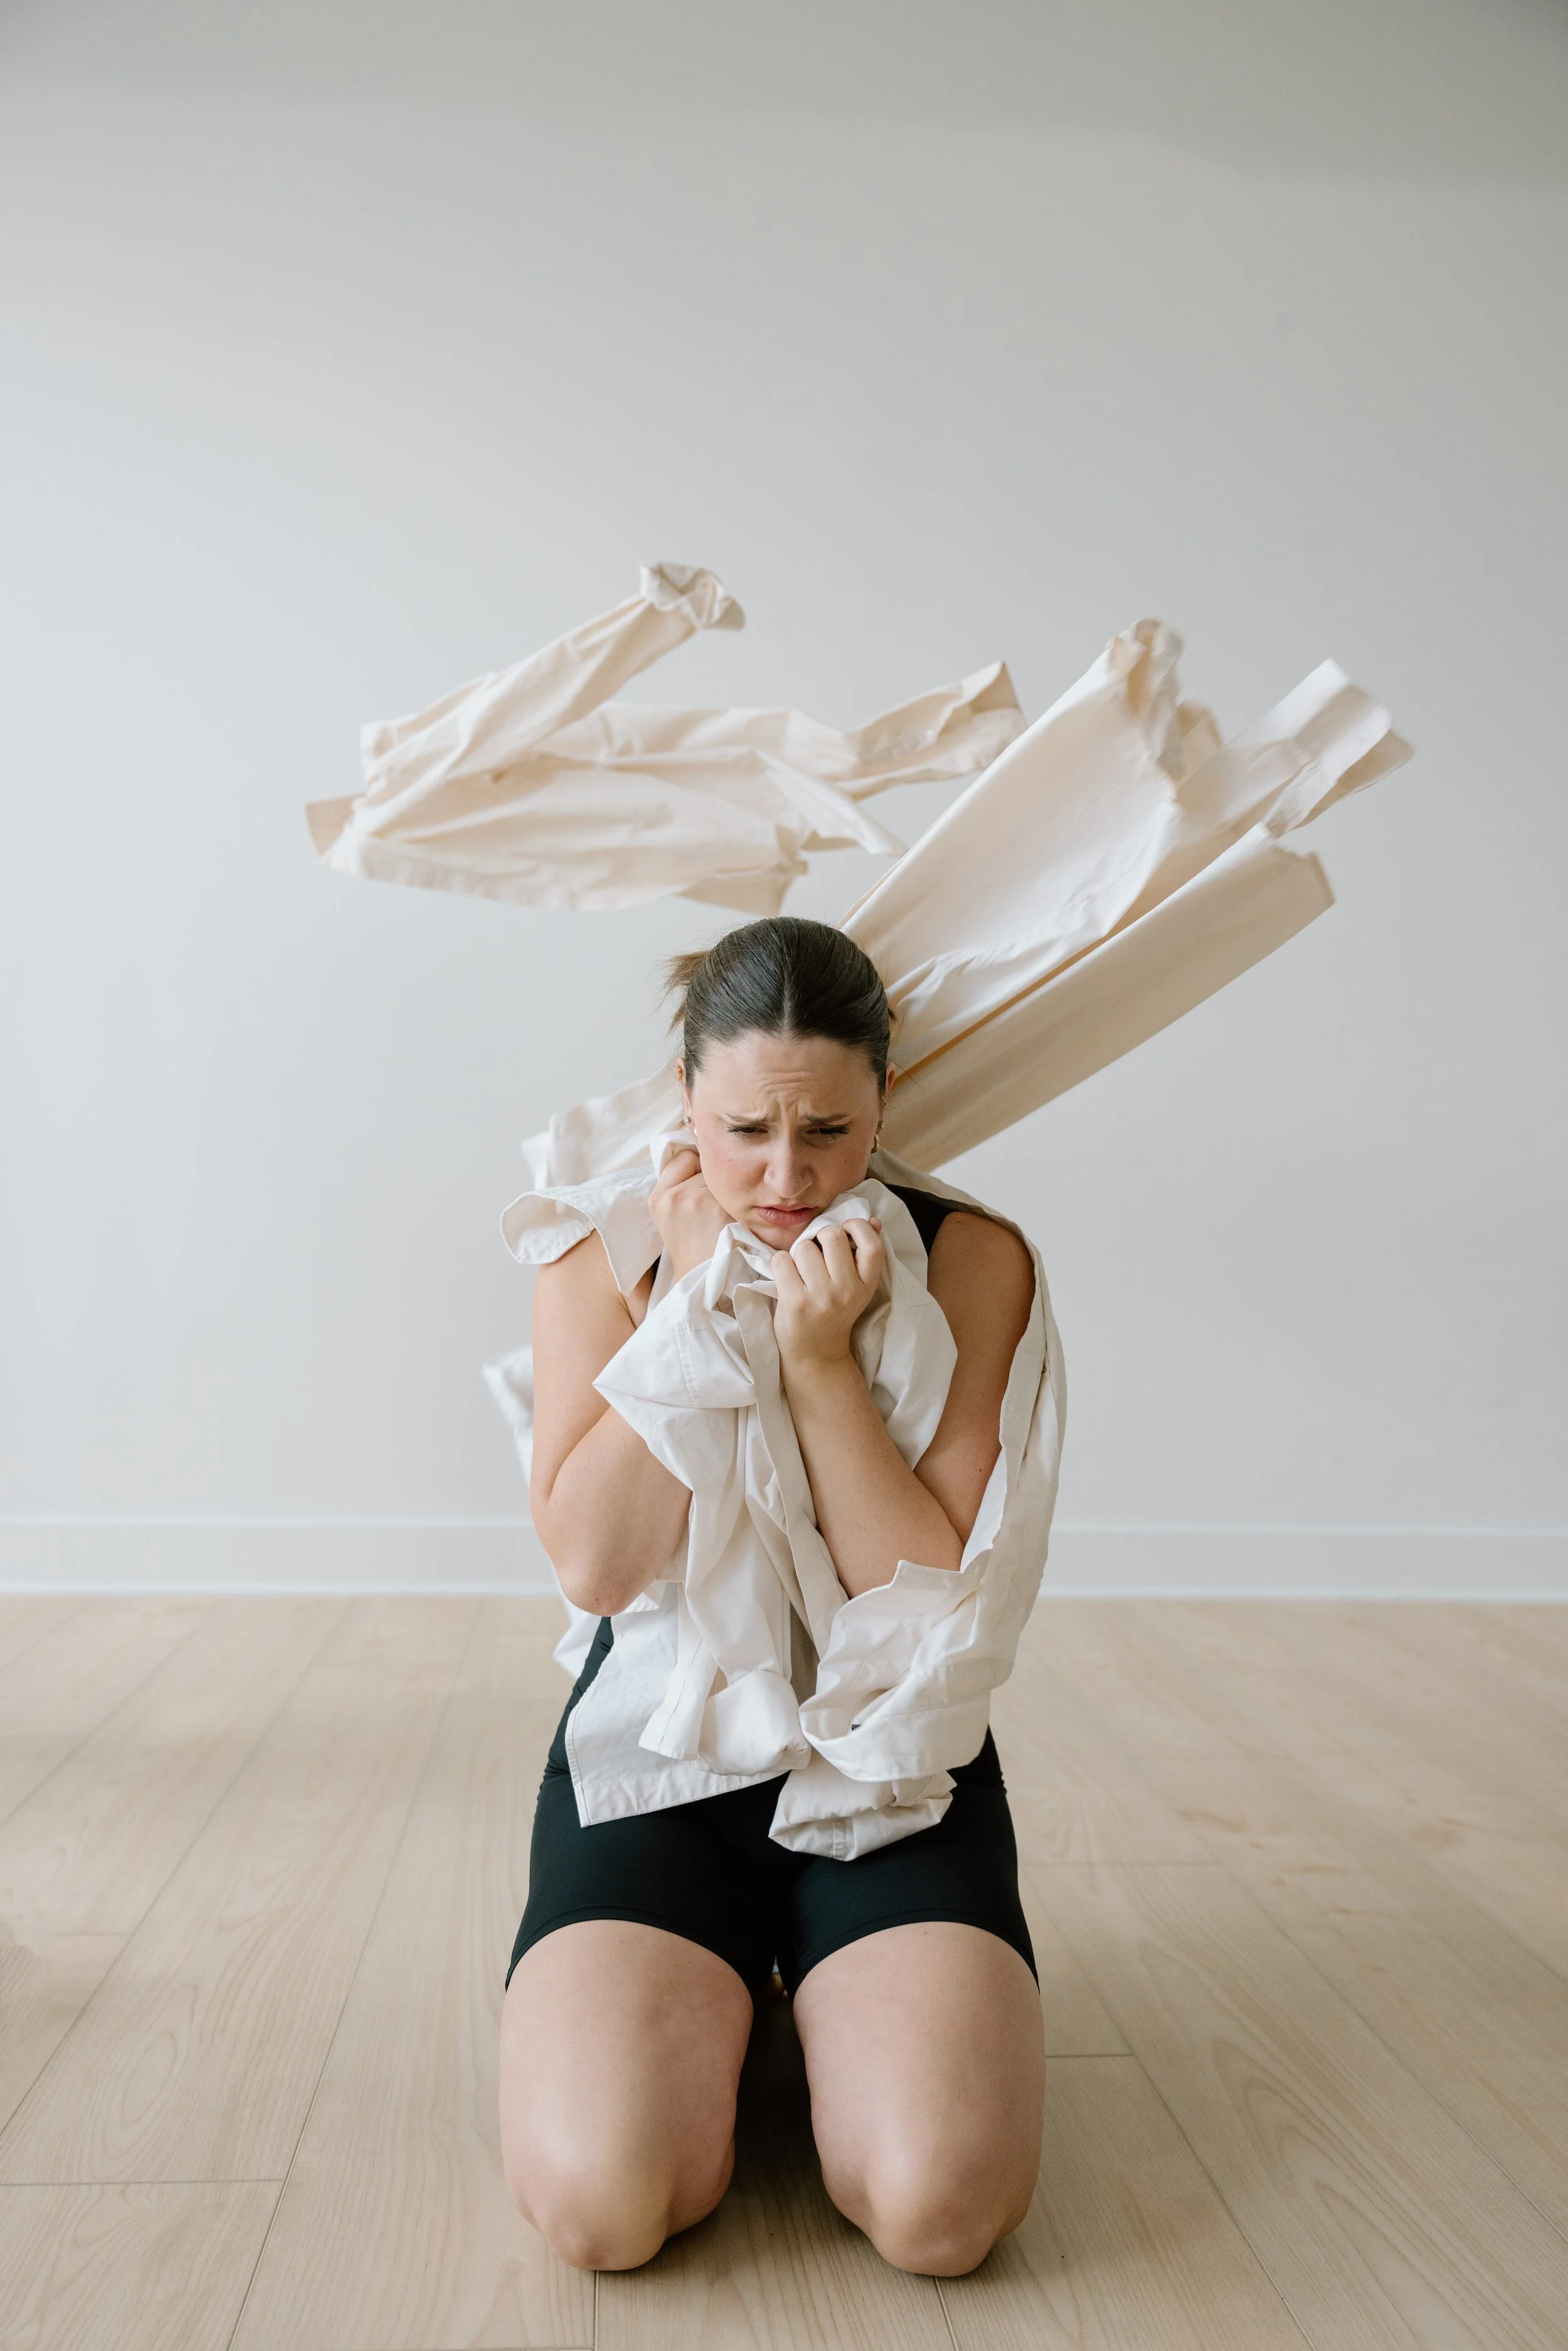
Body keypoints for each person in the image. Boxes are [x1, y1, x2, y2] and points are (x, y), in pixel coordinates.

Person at [498, 916, 1051, 2276]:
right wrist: (695, 1307)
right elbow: (596, 1564)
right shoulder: (597, 1250)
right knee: (602, 2206)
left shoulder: (969, 1257)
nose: (786, 1175)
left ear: (883, 1103)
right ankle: (724, 1999)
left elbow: (914, 1603)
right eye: (745, 1128)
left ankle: (815, 2000)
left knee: (937, 2211)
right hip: (658, 1745)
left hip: (884, 1750)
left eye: (828, 1131)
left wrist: (813, 1363)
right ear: (683, 1096)